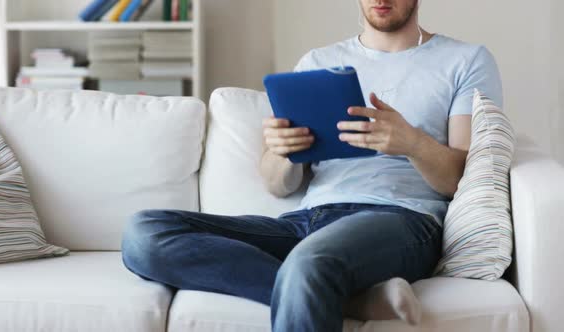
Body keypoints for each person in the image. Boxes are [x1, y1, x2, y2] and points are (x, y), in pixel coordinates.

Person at [121, 0, 503, 331]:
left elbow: (459, 180)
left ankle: (318, 282)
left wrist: (412, 143)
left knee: (310, 261)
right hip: (308, 221)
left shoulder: (465, 60)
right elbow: (278, 185)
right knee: (144, 234)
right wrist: (284, 153)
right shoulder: (319, 63)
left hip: (402, 219)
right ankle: (353, 299)